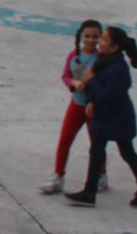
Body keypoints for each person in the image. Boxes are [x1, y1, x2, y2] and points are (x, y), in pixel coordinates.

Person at [65, 26, 137, 208]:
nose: (99, 42)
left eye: (104, 40)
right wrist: (90, 101)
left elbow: (107, 95)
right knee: (96, 152)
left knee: (127, 152)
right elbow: (96, 92)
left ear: (114, 47)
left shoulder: (119, 69)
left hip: (118, 118)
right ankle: (89, 192)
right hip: (102, 115)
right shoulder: (104, 60)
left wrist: (91, 80)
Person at [40, 19, 108, 195]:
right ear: (80, 37)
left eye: (95, 36)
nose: (91, 40)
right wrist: (73, 83)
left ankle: (101, 175)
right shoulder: (73, 56)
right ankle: (58, 176)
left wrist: (93, 93)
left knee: (96, 144)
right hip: (77, 104)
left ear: (101, 38)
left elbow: (105, 83)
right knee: (65, 140)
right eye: (87, 36)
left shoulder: (102, 59)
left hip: (95, 108)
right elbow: (65, 76)